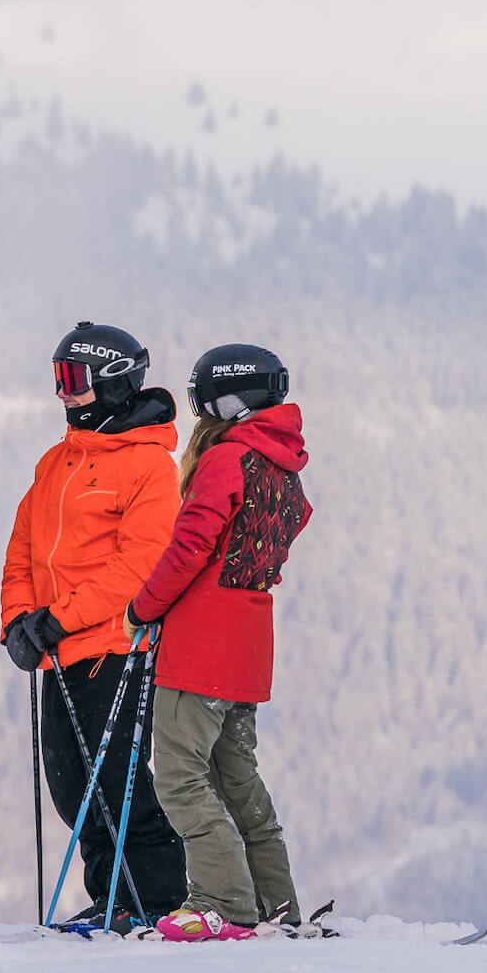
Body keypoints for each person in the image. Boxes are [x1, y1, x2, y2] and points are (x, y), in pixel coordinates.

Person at [2, 321, 189, 929]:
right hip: (58, 650)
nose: (63, 393)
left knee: (116, 782)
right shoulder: (56, 462)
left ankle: (154, 901)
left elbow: (139, 566)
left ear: (113, 383)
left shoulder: (149, 467)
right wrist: (16, 622)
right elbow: (22, 548)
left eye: (74, 379)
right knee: (71, 786)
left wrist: (56, 620)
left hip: (114, 647)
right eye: (58, 378)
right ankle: (111, 898)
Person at [126, 343, 312, 942]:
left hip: (200, 645)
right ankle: (273, 904)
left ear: (228, 400)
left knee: (179, 776)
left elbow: (190, 548)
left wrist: (141, 608)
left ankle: (222, 905)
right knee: (237, 777)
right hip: (249, 644)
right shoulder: (282, 465)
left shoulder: (228, 460)